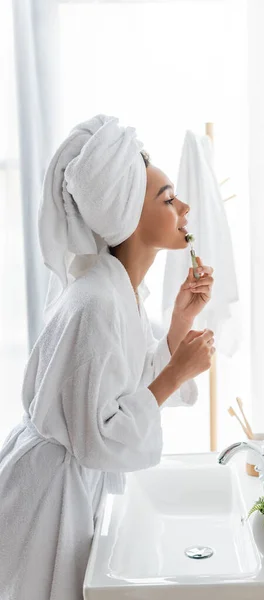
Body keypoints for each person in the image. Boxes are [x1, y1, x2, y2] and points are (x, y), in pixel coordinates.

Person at [0, 115, 215, 600]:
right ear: (128, 216)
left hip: (66, 485)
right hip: (44, 498)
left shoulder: (117, 291)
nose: (183, 206)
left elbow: (126, 381)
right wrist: (178, 369)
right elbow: (99, 433)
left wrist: (178, 325)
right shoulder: (95, 301)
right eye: (166, 199)